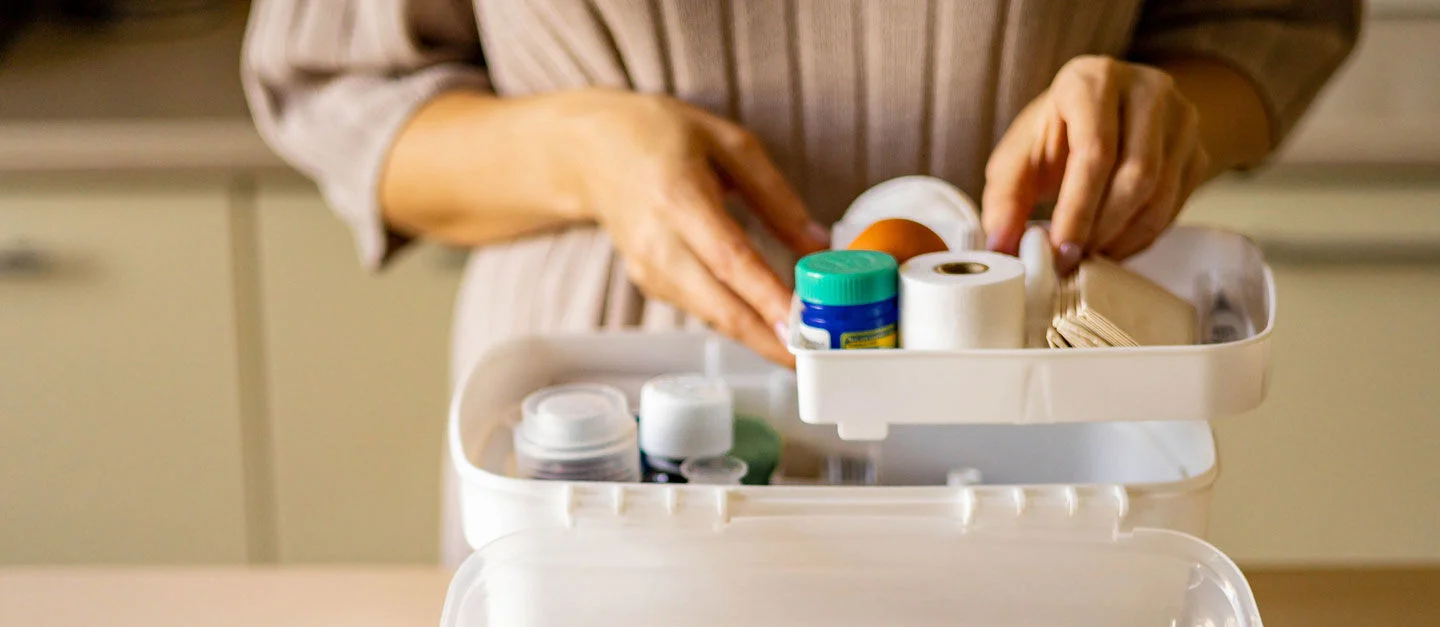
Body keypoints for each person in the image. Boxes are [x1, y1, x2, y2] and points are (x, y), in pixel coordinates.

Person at [242, 0, 1358, 565]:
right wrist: (584, 155)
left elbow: (1277, 24)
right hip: (606, 437)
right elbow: (331, 85)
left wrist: (1156, 118)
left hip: (1039, 426)